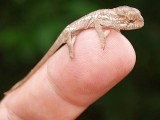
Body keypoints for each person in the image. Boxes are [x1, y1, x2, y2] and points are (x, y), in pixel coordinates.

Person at [0, 29, 136, 119]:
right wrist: (101, 37)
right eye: (129, 21)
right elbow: (97, 25)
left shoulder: (111, 19)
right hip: (69, 32)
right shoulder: (109, 17)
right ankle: (70, 47)